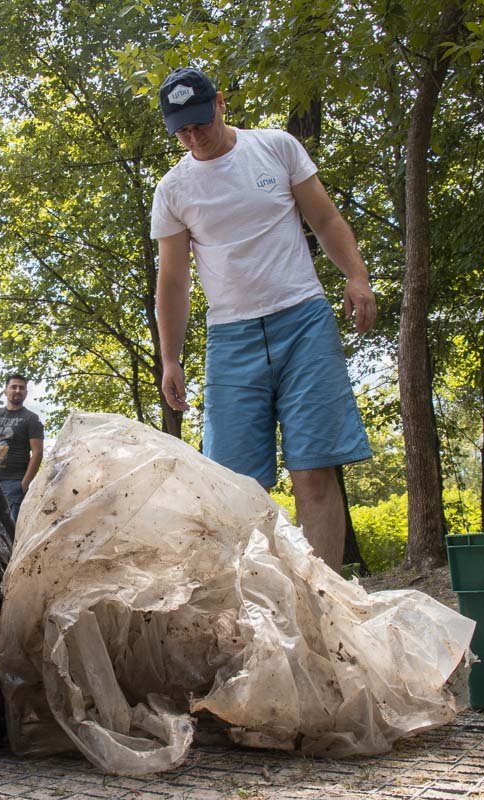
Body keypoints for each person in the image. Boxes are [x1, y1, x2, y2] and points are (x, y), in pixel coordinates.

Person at [151, 67, 377, 572]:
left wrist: (356, 276)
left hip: (304, 322)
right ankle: (255, 605)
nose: (194, 136)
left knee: (313, 471)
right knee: (235, 485)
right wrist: (170, 357)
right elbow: (173, 279)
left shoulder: (276, 147)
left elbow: (326, 219)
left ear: (220, 104)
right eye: (181, 130)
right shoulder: (172, 190)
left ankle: (325, 605)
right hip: (231, 339)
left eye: (199, 122)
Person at [0, 374, 44, 523]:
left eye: (22, 388)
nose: (18, 390)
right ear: (5, 391)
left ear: (26, 393)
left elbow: (38, 453)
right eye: (13, 387)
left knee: (10, 529)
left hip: (13, 483)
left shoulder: (31, 419)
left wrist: (24, 485)